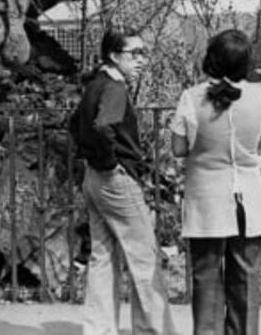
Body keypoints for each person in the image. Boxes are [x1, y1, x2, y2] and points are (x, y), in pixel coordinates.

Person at [170, 29, 261, 335]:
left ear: (211, 59)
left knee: (206, 274)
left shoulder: (191, 98)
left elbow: (178, 148)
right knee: (246, 273)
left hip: (207, 198)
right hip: (249, 197)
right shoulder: (258, 96)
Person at [71, 28, 176, 335]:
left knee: (103, 256)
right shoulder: (115, 87)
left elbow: (74, 124)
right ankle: (155, 330)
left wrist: (95, 161)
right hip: (114, 179)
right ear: (115, 56)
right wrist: (111, 164)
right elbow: (104, 126)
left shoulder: (94, 85)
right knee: (144, 257)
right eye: (134, 54)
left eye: (143, 53)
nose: (141, 60)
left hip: (94, 178)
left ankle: (99, 329)